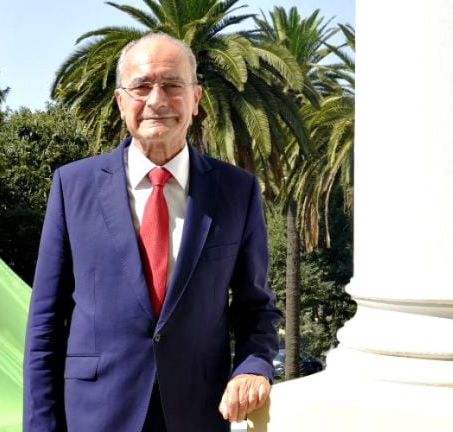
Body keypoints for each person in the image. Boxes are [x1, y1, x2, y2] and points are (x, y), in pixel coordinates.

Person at [23, 33, 281, 432]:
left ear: (196, 99)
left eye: (173, 86)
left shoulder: (237, 191)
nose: (157, 100)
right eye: (142, 86)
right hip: (95, 415)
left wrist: (253, 366)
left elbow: (257, 309)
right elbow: (46, 322)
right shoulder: (72, 186)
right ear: (120, 100)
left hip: (197, 414)